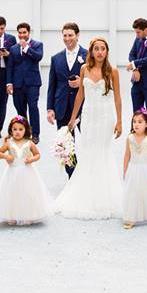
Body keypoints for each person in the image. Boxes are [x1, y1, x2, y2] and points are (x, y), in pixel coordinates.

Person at [54, 37, 124, 220]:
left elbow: (117, 98)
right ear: (91, 51)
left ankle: (104, 195)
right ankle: (88, 190)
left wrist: (120, 121)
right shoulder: (84, 69)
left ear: (107, 51)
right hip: (88, 116)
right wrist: (72, 118)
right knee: (89, 152)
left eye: (103, 49)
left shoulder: (113, 71)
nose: (100, 52)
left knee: (102, 152)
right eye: (96, 49)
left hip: (105, 117)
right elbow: (80, 94)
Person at [0, 116, 51, 226]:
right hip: (13, 172)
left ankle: (28, 214)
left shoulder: (29, 143)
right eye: (15, 129)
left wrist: (32, 158)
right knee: (12, 193)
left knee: (28, 192)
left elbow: (37, 154)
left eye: (20, 129)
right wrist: (5, 156)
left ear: (26, 130)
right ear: (11, 130)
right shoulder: (9, 142)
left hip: (27, 171)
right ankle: (12, 215)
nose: (17, 132)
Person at [46, 22, 87, 177]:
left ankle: (90, 173)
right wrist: (50, 108)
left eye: (70, 35)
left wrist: (81, 83)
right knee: (66, 144)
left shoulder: (88, 55)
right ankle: (72, 176)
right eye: (65, 35)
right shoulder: (56, 58)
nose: (67, 38)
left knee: (90, 141)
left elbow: (98, 79)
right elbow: (52, 84)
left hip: (84, 106)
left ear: (77, 35)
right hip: (61, 105)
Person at [6, 22, 44, 143]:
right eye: (20, 33)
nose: (22, 35)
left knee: (33, 107)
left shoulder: (37, 45)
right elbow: (10, 67)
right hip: (17, 84)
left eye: (24, 32)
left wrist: (26, 48)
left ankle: (36, 134)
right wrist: (9, 83)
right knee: (20, 110)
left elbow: (38, 57)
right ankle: (25, 132)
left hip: (32, 83)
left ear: (29, 32)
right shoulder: (13, 48)